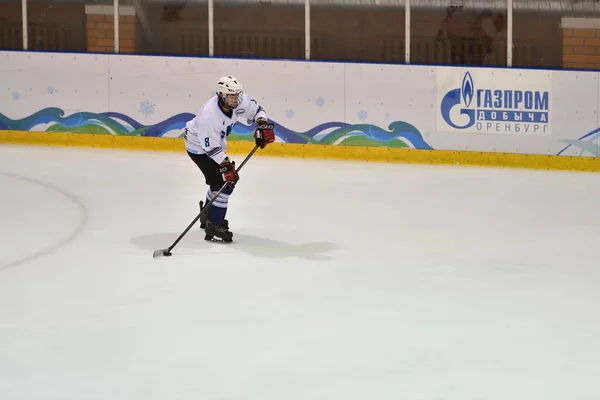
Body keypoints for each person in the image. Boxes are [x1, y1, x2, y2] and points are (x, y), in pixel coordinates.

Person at [183, 76, 275, 242]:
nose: (235, 99)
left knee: (219, 182)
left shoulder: (239, 101)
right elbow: (209, 147)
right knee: (224, 184)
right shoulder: (209, 115)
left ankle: (208, 215)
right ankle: (215, 224)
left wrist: (261, 124)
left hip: (213, 145)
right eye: (231, 96)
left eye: (237, 95)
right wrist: (225, 165)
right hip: (198, 147)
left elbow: (258, 110)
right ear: (221, 95)